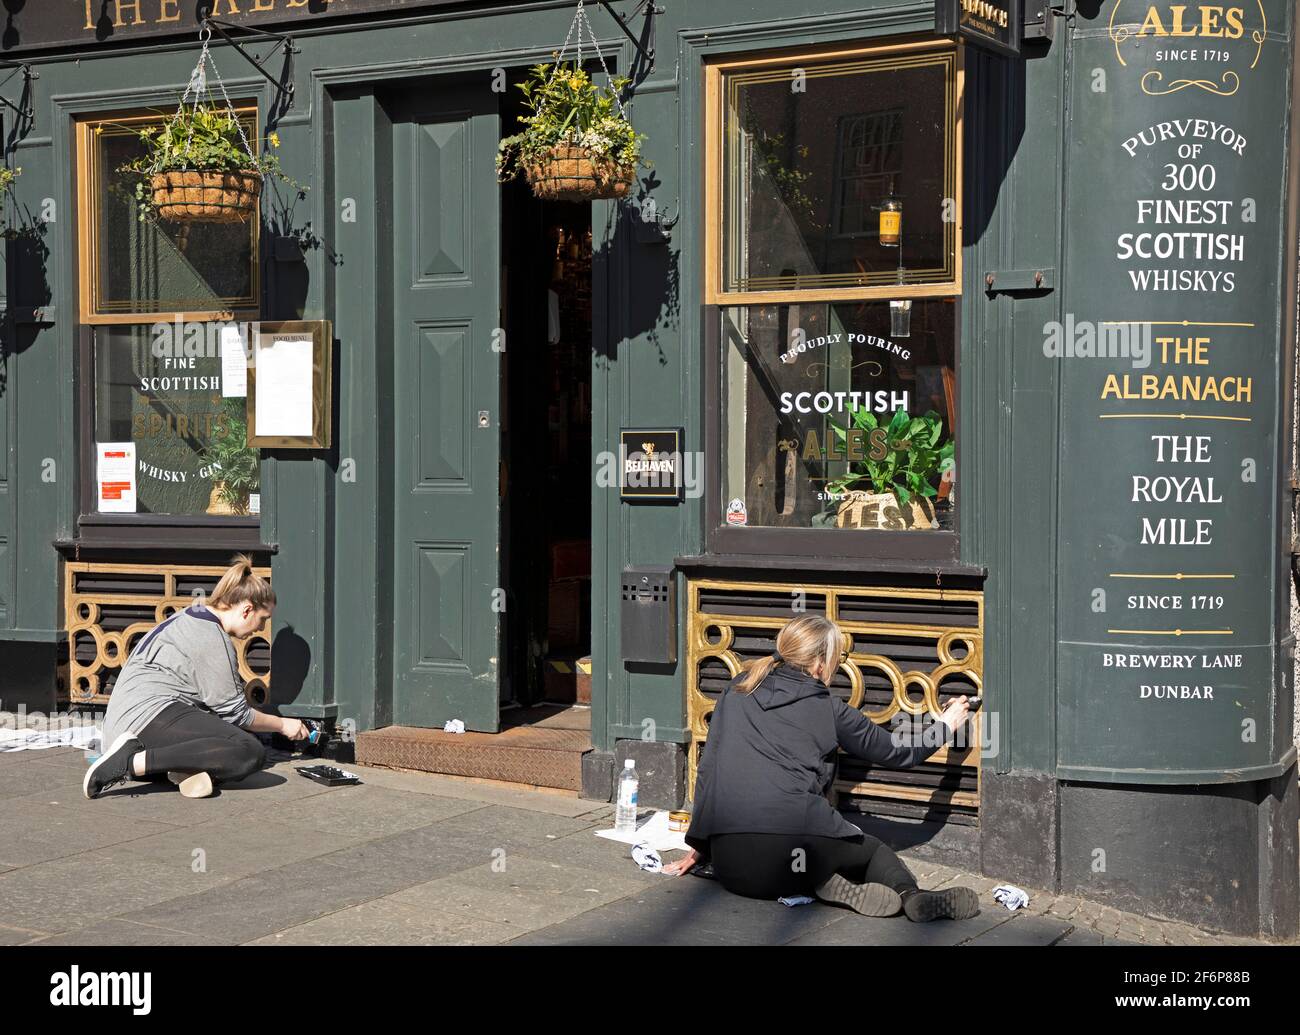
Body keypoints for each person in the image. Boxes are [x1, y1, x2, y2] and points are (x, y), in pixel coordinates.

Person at [662, 613, 981, 922]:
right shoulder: (829, 708)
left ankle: (821, 883)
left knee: (800, 859)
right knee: (872, 853)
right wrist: (945, 725)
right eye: (837, 659)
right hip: (791, 851)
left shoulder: (737, 689)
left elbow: (708, 771)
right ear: (818, 664)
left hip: (732, 867)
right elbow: (898, 753)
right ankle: (912, 897)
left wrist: (699, 846)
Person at [85, 554, 308, 800]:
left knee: (223, 743)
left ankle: (180, 769)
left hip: (124, 726)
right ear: (247, 610)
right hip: (144, 720)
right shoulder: (212, 637)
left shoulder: (192, 614)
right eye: (263, 619)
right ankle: (129, 762)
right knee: (248, 751)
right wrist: (283, 724)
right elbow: (237, 714)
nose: (260, 627)